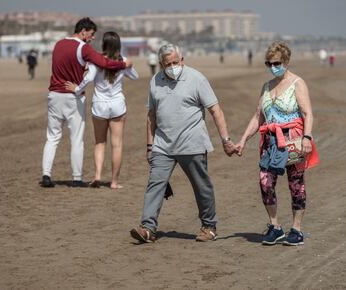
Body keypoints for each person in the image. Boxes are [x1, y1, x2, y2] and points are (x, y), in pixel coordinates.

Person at [130, 43, 237, 243]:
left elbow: (215, 110)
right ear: (161, 65)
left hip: (192, 143)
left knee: (201, 186)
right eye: (167, 64)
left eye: (175, 62)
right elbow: (151, 116)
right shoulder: (155, 81)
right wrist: (150, 146)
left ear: (182, 60)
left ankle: (209, 226)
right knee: (155, 185)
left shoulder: (197, 79)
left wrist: (226, 140)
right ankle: (148, 228)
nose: (171, 67)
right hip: (162, 145)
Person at [235, 41, 319, 246]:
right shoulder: (266, 86)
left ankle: (296, 230)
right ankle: (275, 226)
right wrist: (243, 140)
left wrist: (307, 138)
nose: (273, 67)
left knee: (296, 184)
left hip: (293, 140)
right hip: (270, 142)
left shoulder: (297, 83)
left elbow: (308, 113)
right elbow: (258, 117)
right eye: (269, 63)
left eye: (277, 63)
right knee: (265, 182)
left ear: (286, 61)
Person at [40, 17, 133, 188]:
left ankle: (46, 174)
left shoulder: (58, 44)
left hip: (54, 94)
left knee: (52, 137)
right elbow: (104, 63)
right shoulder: (84, 48)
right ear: (83, 31)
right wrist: (124, 64)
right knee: (76, 139)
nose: (92, 39)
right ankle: (76, 178)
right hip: (73, 97)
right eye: (91, 35)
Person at [65, 31, 139, 189]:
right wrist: (128, 65)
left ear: (103, 44)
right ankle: (114, 182)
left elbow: (89, 78)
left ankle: (97, 176)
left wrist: (77, 89)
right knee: (117, 145)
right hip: (118, 105)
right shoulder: (123, 61)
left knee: (100, 142)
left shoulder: (96, 61)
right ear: (118, 45)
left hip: (100, 105)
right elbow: (135, 76)